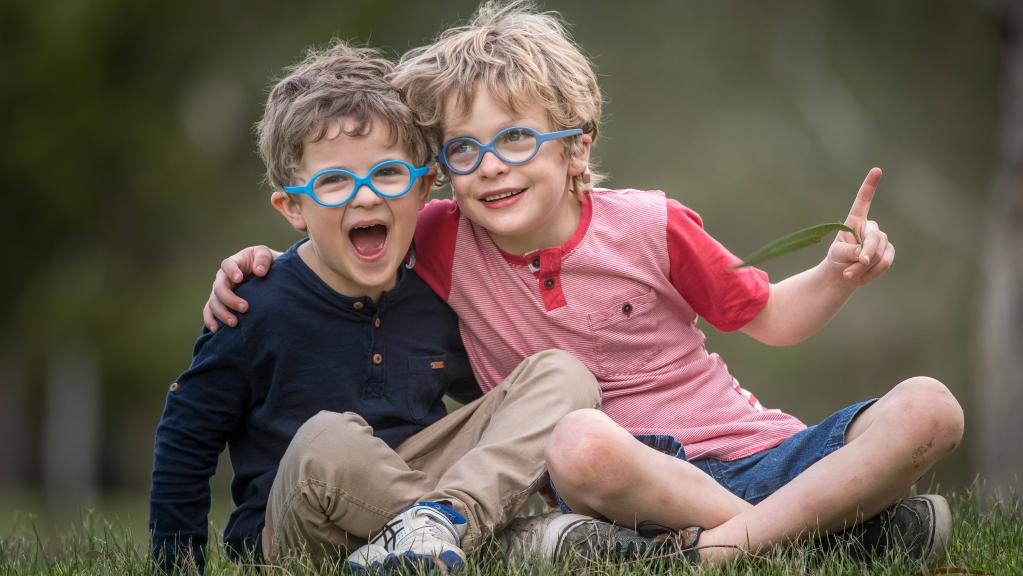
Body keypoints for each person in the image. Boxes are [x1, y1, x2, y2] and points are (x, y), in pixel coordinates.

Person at [205, 1, 964, 567]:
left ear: (578, 143)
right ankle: (829, 537)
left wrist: (834, 275)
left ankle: (732, 546)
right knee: (578, 442)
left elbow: (767, 318)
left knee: (930, 407)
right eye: (464, 152)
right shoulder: (438, 236)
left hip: (753, 452)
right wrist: (257, 262)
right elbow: (352, 234)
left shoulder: (650, 223)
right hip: (617, 480)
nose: (490, 166)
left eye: (514, 139)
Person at [149, 39, 606, 574]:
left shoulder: (438, 288)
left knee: (562, 374)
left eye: (387, 173)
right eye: (335, 181)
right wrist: (177, 565)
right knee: (328, 439)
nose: (365, 197)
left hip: (427, 490)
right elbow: (186, 440)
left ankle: (441, 531)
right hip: (302, 523)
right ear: (293, 207)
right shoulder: (255, 304)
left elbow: (504, 407)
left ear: (424, 187)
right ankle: (510, 545)